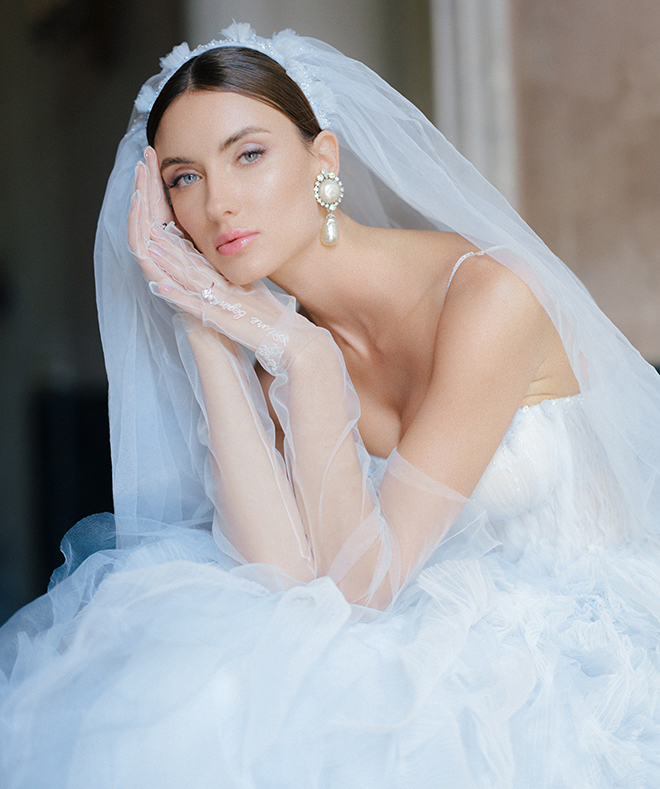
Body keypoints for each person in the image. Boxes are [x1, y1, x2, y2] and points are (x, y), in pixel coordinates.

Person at [1, 22, 659, 788]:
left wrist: (303, 359)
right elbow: (282, 583)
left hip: (582, 650)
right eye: (183, 178)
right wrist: (203, 325)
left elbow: (363, 590)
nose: (218, 204)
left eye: (248, 154)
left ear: (324, 160)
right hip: (419, 630)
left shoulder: (490, 298)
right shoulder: (284, 342)